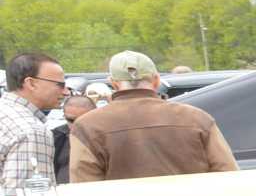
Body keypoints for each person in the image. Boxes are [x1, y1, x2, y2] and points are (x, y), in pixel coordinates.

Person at [68, 50, 238, 183]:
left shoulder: (88, 126)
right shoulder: (197, 118)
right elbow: (228, 175)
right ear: (156, 80)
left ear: (113, 83)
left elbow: (84, 189)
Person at [1, 51, 67, 192]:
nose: (66, 91)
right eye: (60, 84)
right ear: (31, 83)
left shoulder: (6, 115)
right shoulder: (31, 130)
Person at [50, 93, 94, 184]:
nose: (77, 125)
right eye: (71, 120)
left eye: (83, 120)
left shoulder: (106, 136)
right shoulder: (56, 136)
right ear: (64, 116)